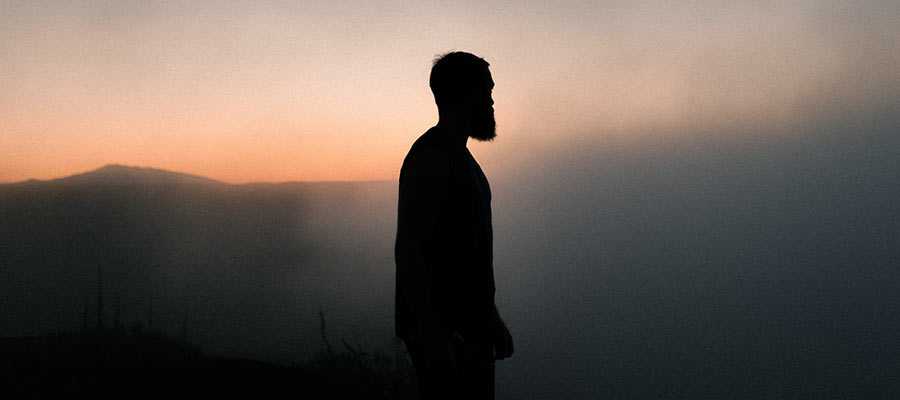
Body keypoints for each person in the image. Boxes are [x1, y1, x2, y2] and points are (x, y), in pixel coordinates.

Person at [395, 51, 514, 400]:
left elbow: (470, 255)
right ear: (462, 96)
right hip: (449, 337)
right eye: (486, 92)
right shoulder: (432, 157)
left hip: (466, 332)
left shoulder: (459, 159)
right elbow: (412, 252)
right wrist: (434, 337)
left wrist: (490, 318)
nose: (492, 102)